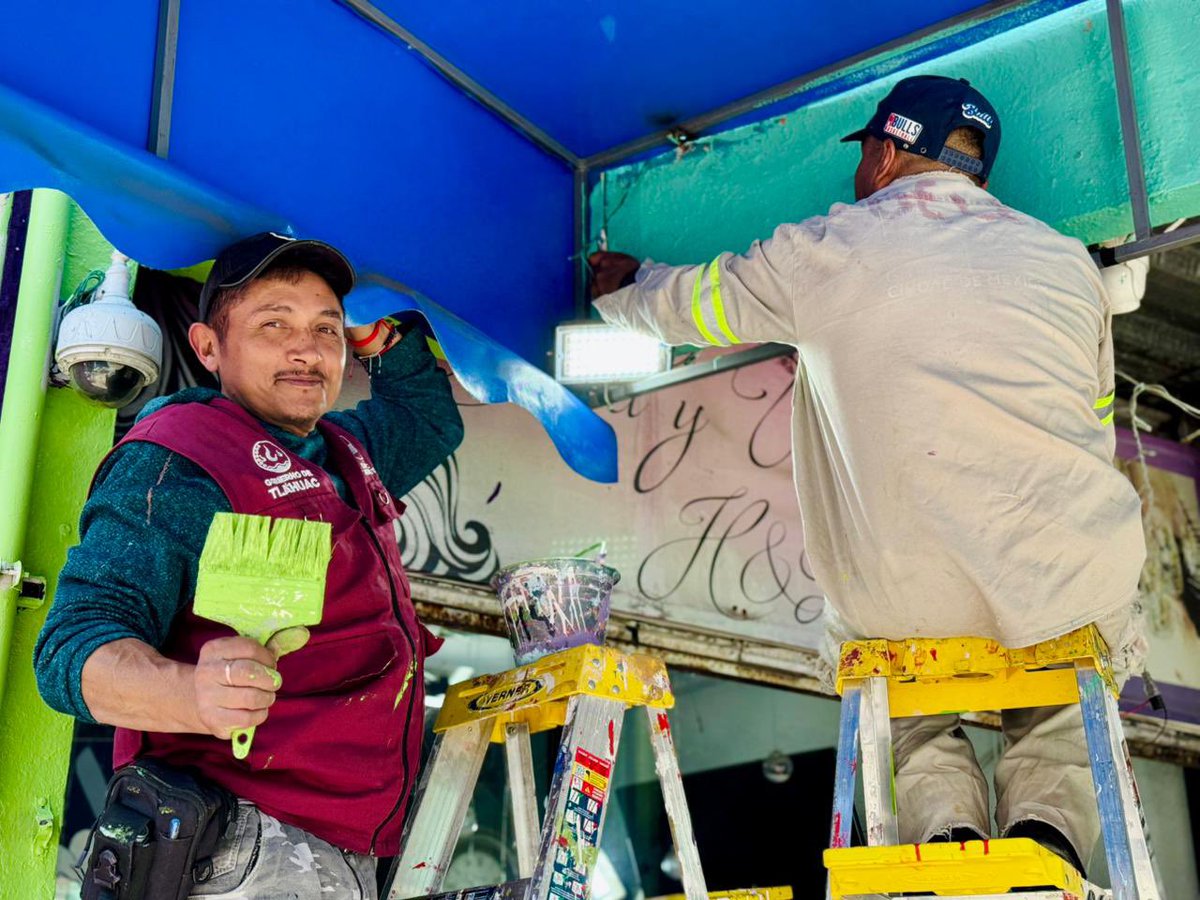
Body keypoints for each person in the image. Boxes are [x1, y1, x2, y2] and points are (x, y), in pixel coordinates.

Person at [589, 75, 1146, 876]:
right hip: (1072, 578)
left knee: (899, 701)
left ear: (885, 154)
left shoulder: (832, 247)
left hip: (907, 598)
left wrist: (626, 290)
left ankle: (950, 844)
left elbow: (697, 307)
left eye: (865, 154)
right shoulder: (1068, 267)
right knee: (1059, 703)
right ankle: (1042, 847)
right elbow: (1093, 411)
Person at [36, 232, 463, 899]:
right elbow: (69, 649)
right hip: (242, 840)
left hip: (342, 844)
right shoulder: (178, 457)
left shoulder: (343, 450)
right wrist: (191, 696)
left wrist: (377, 330)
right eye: (273, 324)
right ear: (209, 348)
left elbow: (429, 420)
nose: (307, 349)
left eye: (325, 327)